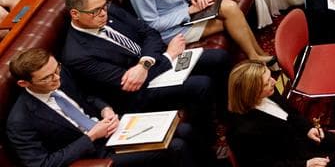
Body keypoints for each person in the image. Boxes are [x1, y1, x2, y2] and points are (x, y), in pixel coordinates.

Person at [69, 0, 234, 138]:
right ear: (75, 14)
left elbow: (149, 33)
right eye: (95, 11)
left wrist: (145, 63)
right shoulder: (77, 54)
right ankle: (209, 138)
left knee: (219, 57)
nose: (103, 13)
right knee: (201, 84)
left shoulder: (110, 10)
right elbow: (127, 82)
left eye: (104, 6)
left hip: (154, 62)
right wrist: (168, 56)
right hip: (138, 93)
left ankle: (228, 114)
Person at [7, 47, 196, 167]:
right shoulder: (20, 121)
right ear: (24, 83)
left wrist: (105, 108)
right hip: (95, 152)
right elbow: (42, 164)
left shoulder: (59, 75)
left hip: (115, 129)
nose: (57, 78)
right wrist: (91, 137)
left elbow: (87, 97)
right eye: (47, 77)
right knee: (176, 147)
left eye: (56, 69)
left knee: (185, 129)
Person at [227, 60, 335, 167]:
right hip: (292, 158)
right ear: (252, 92)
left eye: (270, 77)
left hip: (301, 137)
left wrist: (308, 128)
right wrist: (305, 164)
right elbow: (265, 165)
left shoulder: (269, 92)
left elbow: (291, 113)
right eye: (267, 82)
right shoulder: (242, 133)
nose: (274, 81)